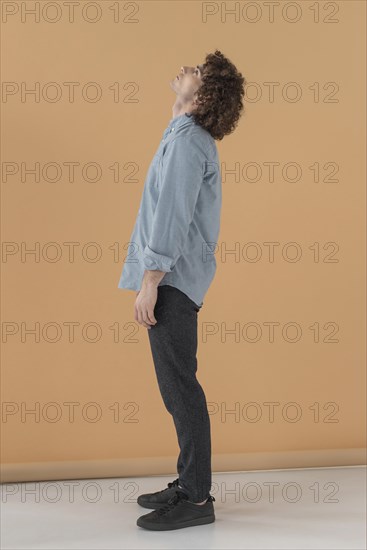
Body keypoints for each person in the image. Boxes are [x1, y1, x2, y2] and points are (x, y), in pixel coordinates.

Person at [117, 49, 246, 530]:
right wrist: (177, 112)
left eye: (196, 70)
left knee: (180, 389)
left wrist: (151, 281)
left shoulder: (191, 142)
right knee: (177, 386)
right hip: (170, 278)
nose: (185, 68)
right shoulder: (183, 133)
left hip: (170, 281)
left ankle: (196, 498)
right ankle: (189, 481)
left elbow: (171, 215)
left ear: (205, 91)